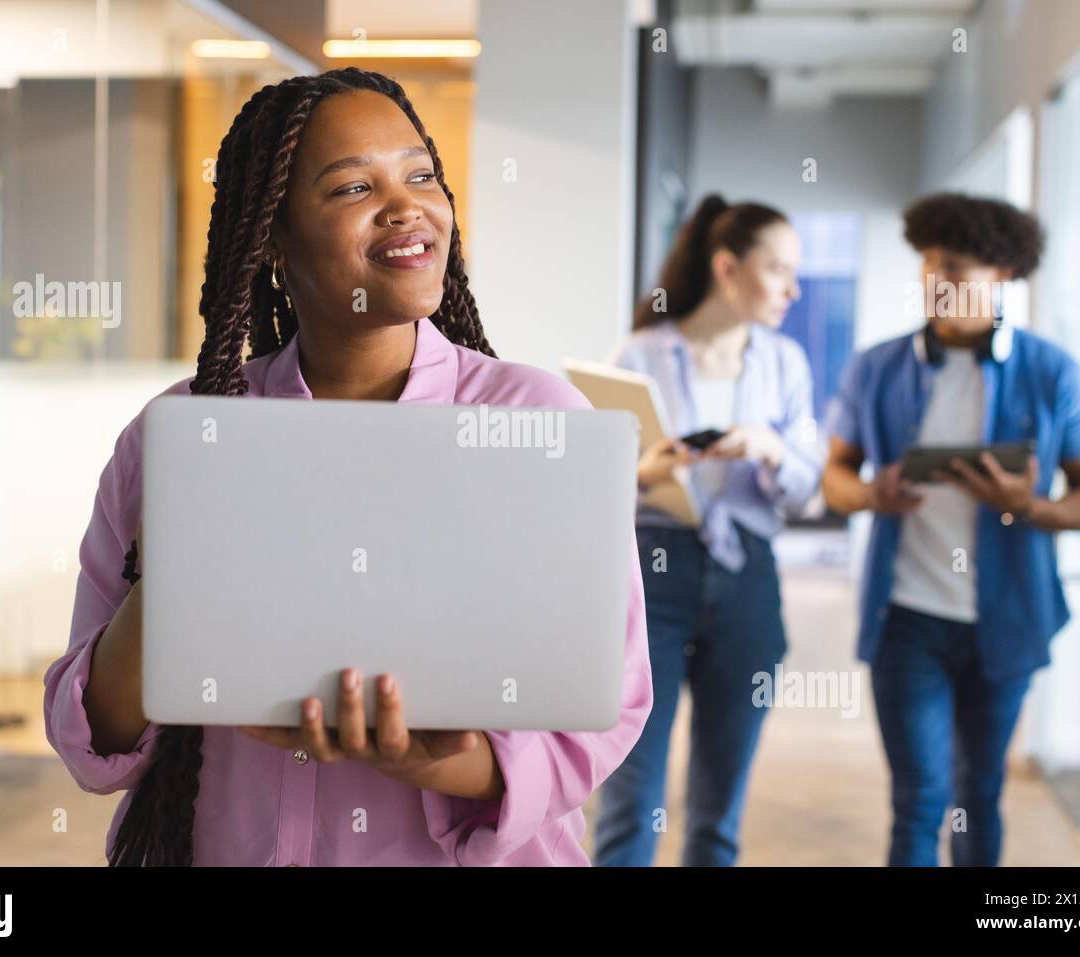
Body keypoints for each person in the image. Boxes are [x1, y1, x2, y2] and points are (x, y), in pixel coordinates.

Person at [42, 68, 653, 866]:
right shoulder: (182, 436)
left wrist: (431, 759)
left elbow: (602, 706)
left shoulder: (534, 421)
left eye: (421, 173)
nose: (408, 205)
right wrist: (177, 583)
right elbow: (93, 732)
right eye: (353, 186)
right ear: (272, 236)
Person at [822, 192, 1080, 867]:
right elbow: (835, 475)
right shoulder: (877, 367)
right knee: (919, 795)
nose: (935, 281)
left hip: (1005, 620)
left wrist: (1027, 503)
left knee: (977, 793)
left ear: (1003, 273)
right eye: (927, 265)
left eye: (955, 267)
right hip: (908, 619)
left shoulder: (1054, 373)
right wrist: (870, 494)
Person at [594, 195, 823, 866]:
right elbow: (593, 481)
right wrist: (643, 471)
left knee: (719, 809)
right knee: (632, 800)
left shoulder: (786, 364)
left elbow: (809, 489)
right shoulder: (638, 354)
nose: (792, 287)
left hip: (748, 575)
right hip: (651, 571)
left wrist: (772, 448)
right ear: (728, 268)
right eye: (777, 269)